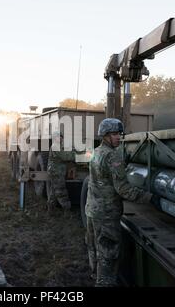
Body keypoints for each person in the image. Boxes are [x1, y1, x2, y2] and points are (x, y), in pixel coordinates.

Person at [85, 118, 159, 286]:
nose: (119, 137)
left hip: (92, 210)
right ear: (105, 136)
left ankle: (95, 276)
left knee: (95, 246)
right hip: (107, 214)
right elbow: (123, 189)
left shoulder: (96, 152)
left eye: (119, 134)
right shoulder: (112, 157)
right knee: (108, 255)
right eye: (114, 134)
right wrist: (148, 198)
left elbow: (98, 180)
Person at [47, 131, 76, 214]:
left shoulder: (59, 146)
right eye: (57, 137)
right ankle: (67, 210)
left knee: (53, 191)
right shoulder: (55, 146)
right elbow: (66, 157)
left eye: (61, 136)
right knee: (61, 191)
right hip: (56, 172)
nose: (59, 138)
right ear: (54, 138)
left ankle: (50, 210)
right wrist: (76, 154)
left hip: (56, 172)